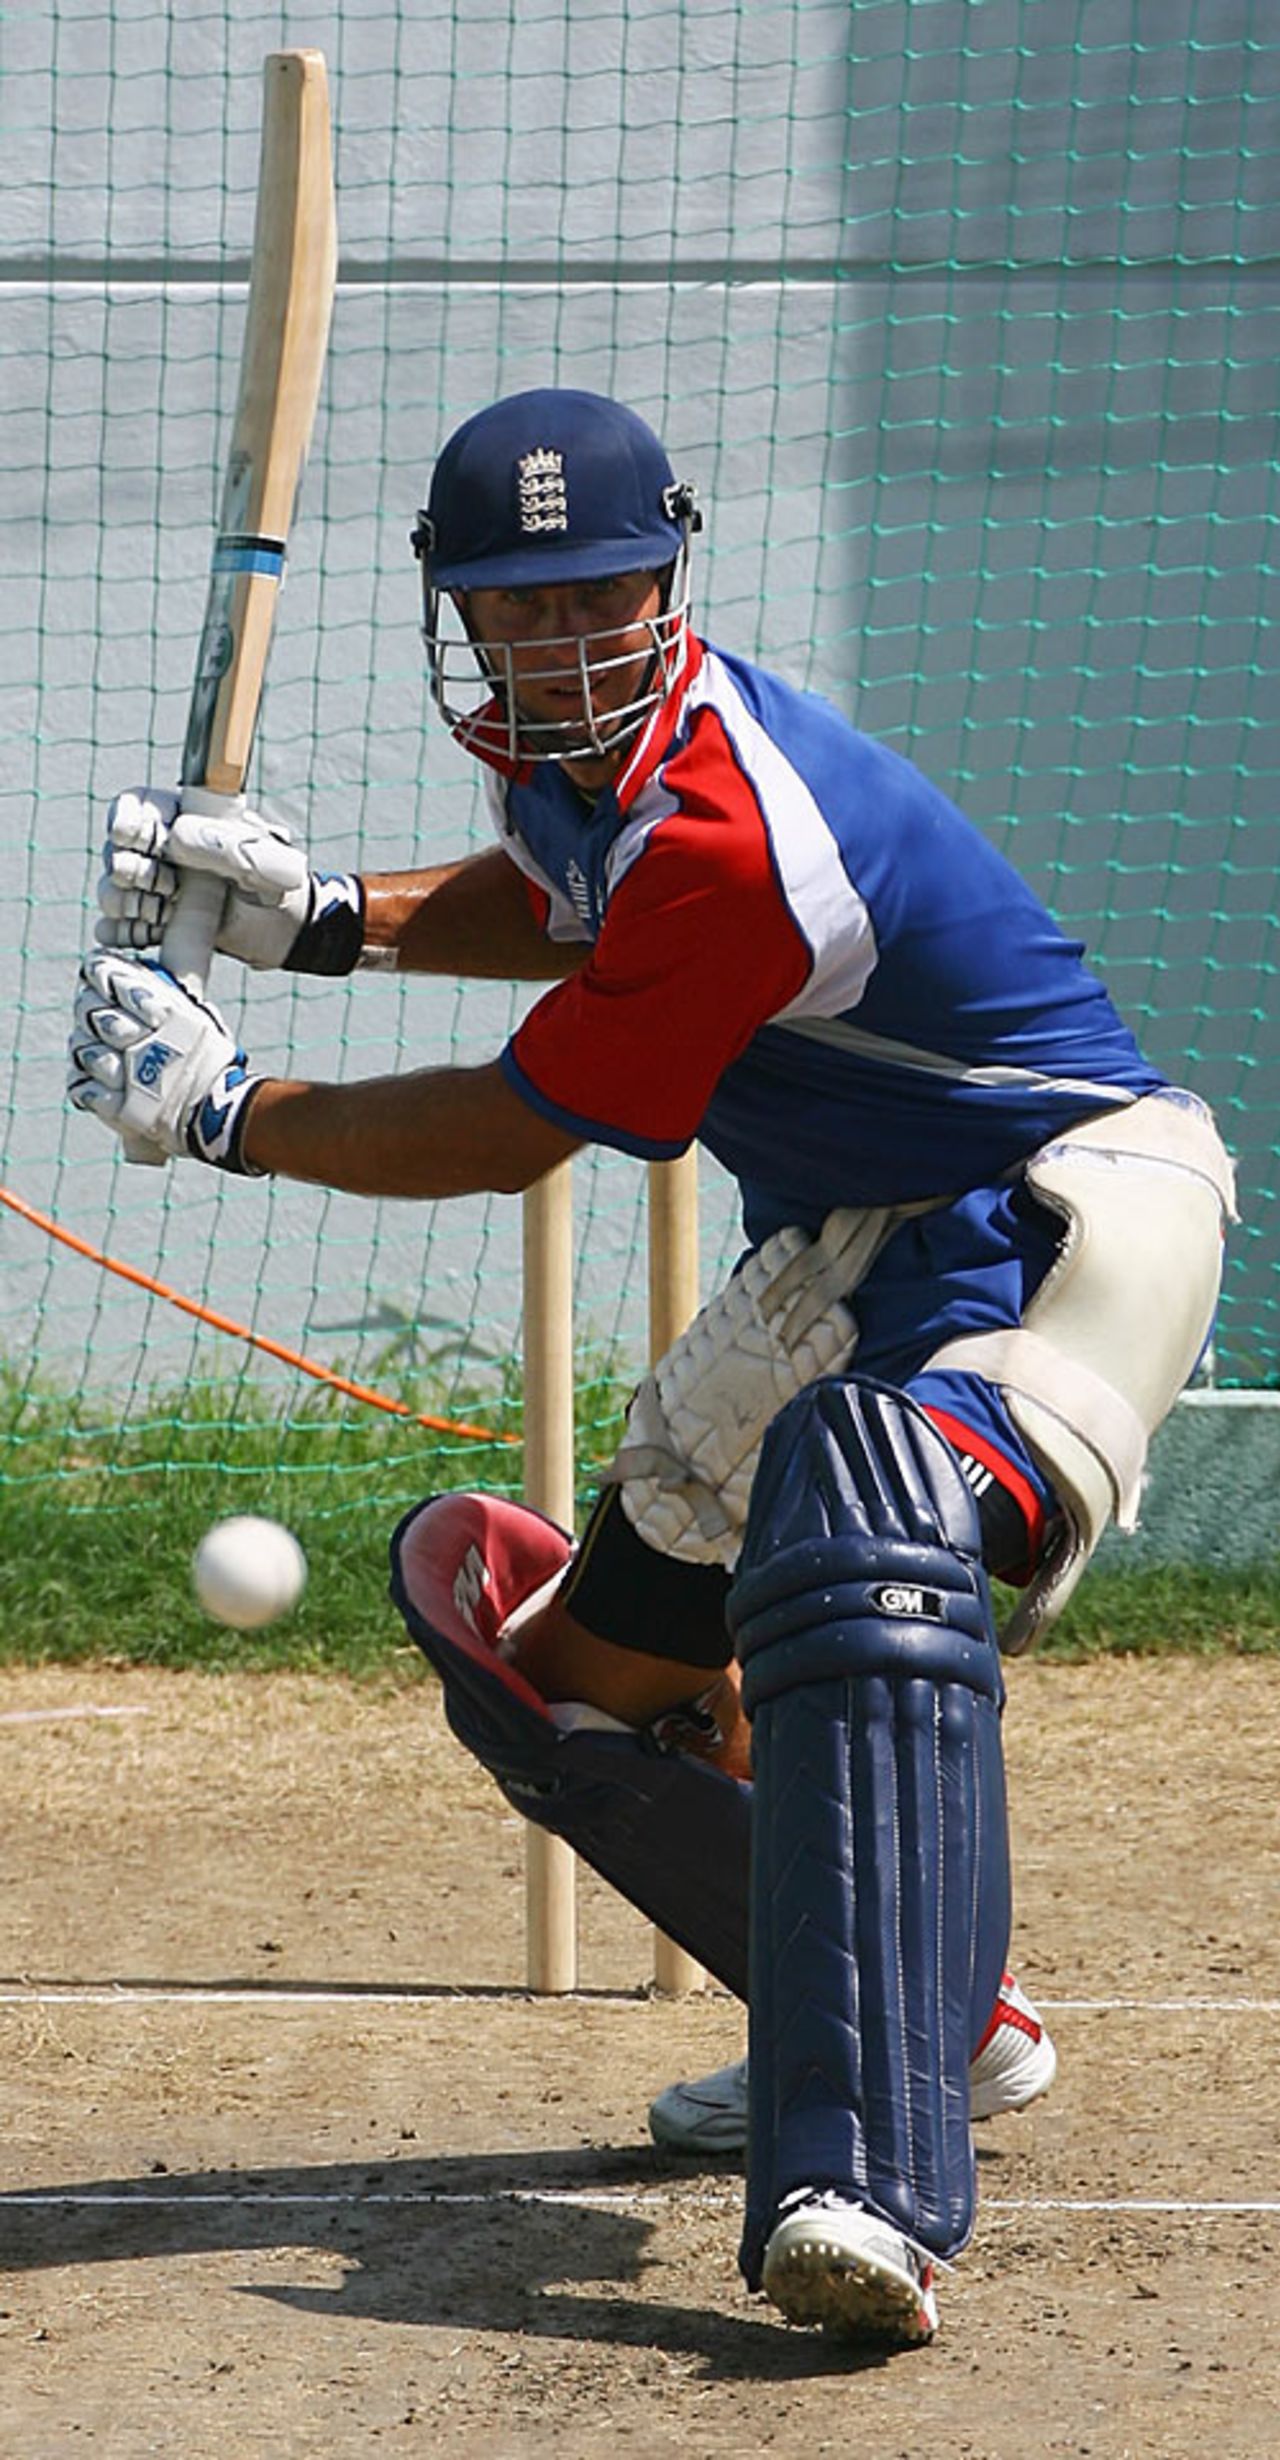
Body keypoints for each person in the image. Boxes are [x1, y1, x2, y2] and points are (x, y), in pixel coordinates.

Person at [69, 387, 1235, 2351]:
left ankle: (866, 2171)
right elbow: (563, 909)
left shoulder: (729, 832)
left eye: (599, 595)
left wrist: (232, 1114)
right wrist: (332, 920)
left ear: (667, 581)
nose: (565, 641)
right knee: (567, 1689)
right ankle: (933, 2018)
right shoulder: (578, 775)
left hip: (1048, 1231)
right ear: (460, 613)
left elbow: (513, 1130)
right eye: (520, 608)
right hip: (846, 1252)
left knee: (855, 1534)